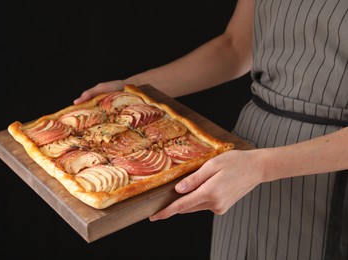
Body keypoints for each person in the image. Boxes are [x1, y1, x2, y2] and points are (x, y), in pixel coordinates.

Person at [74, 0, 348, 259]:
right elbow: (235, 47)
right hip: (246, 155)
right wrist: (133, 89)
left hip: (322, 167)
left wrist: (262, 166)